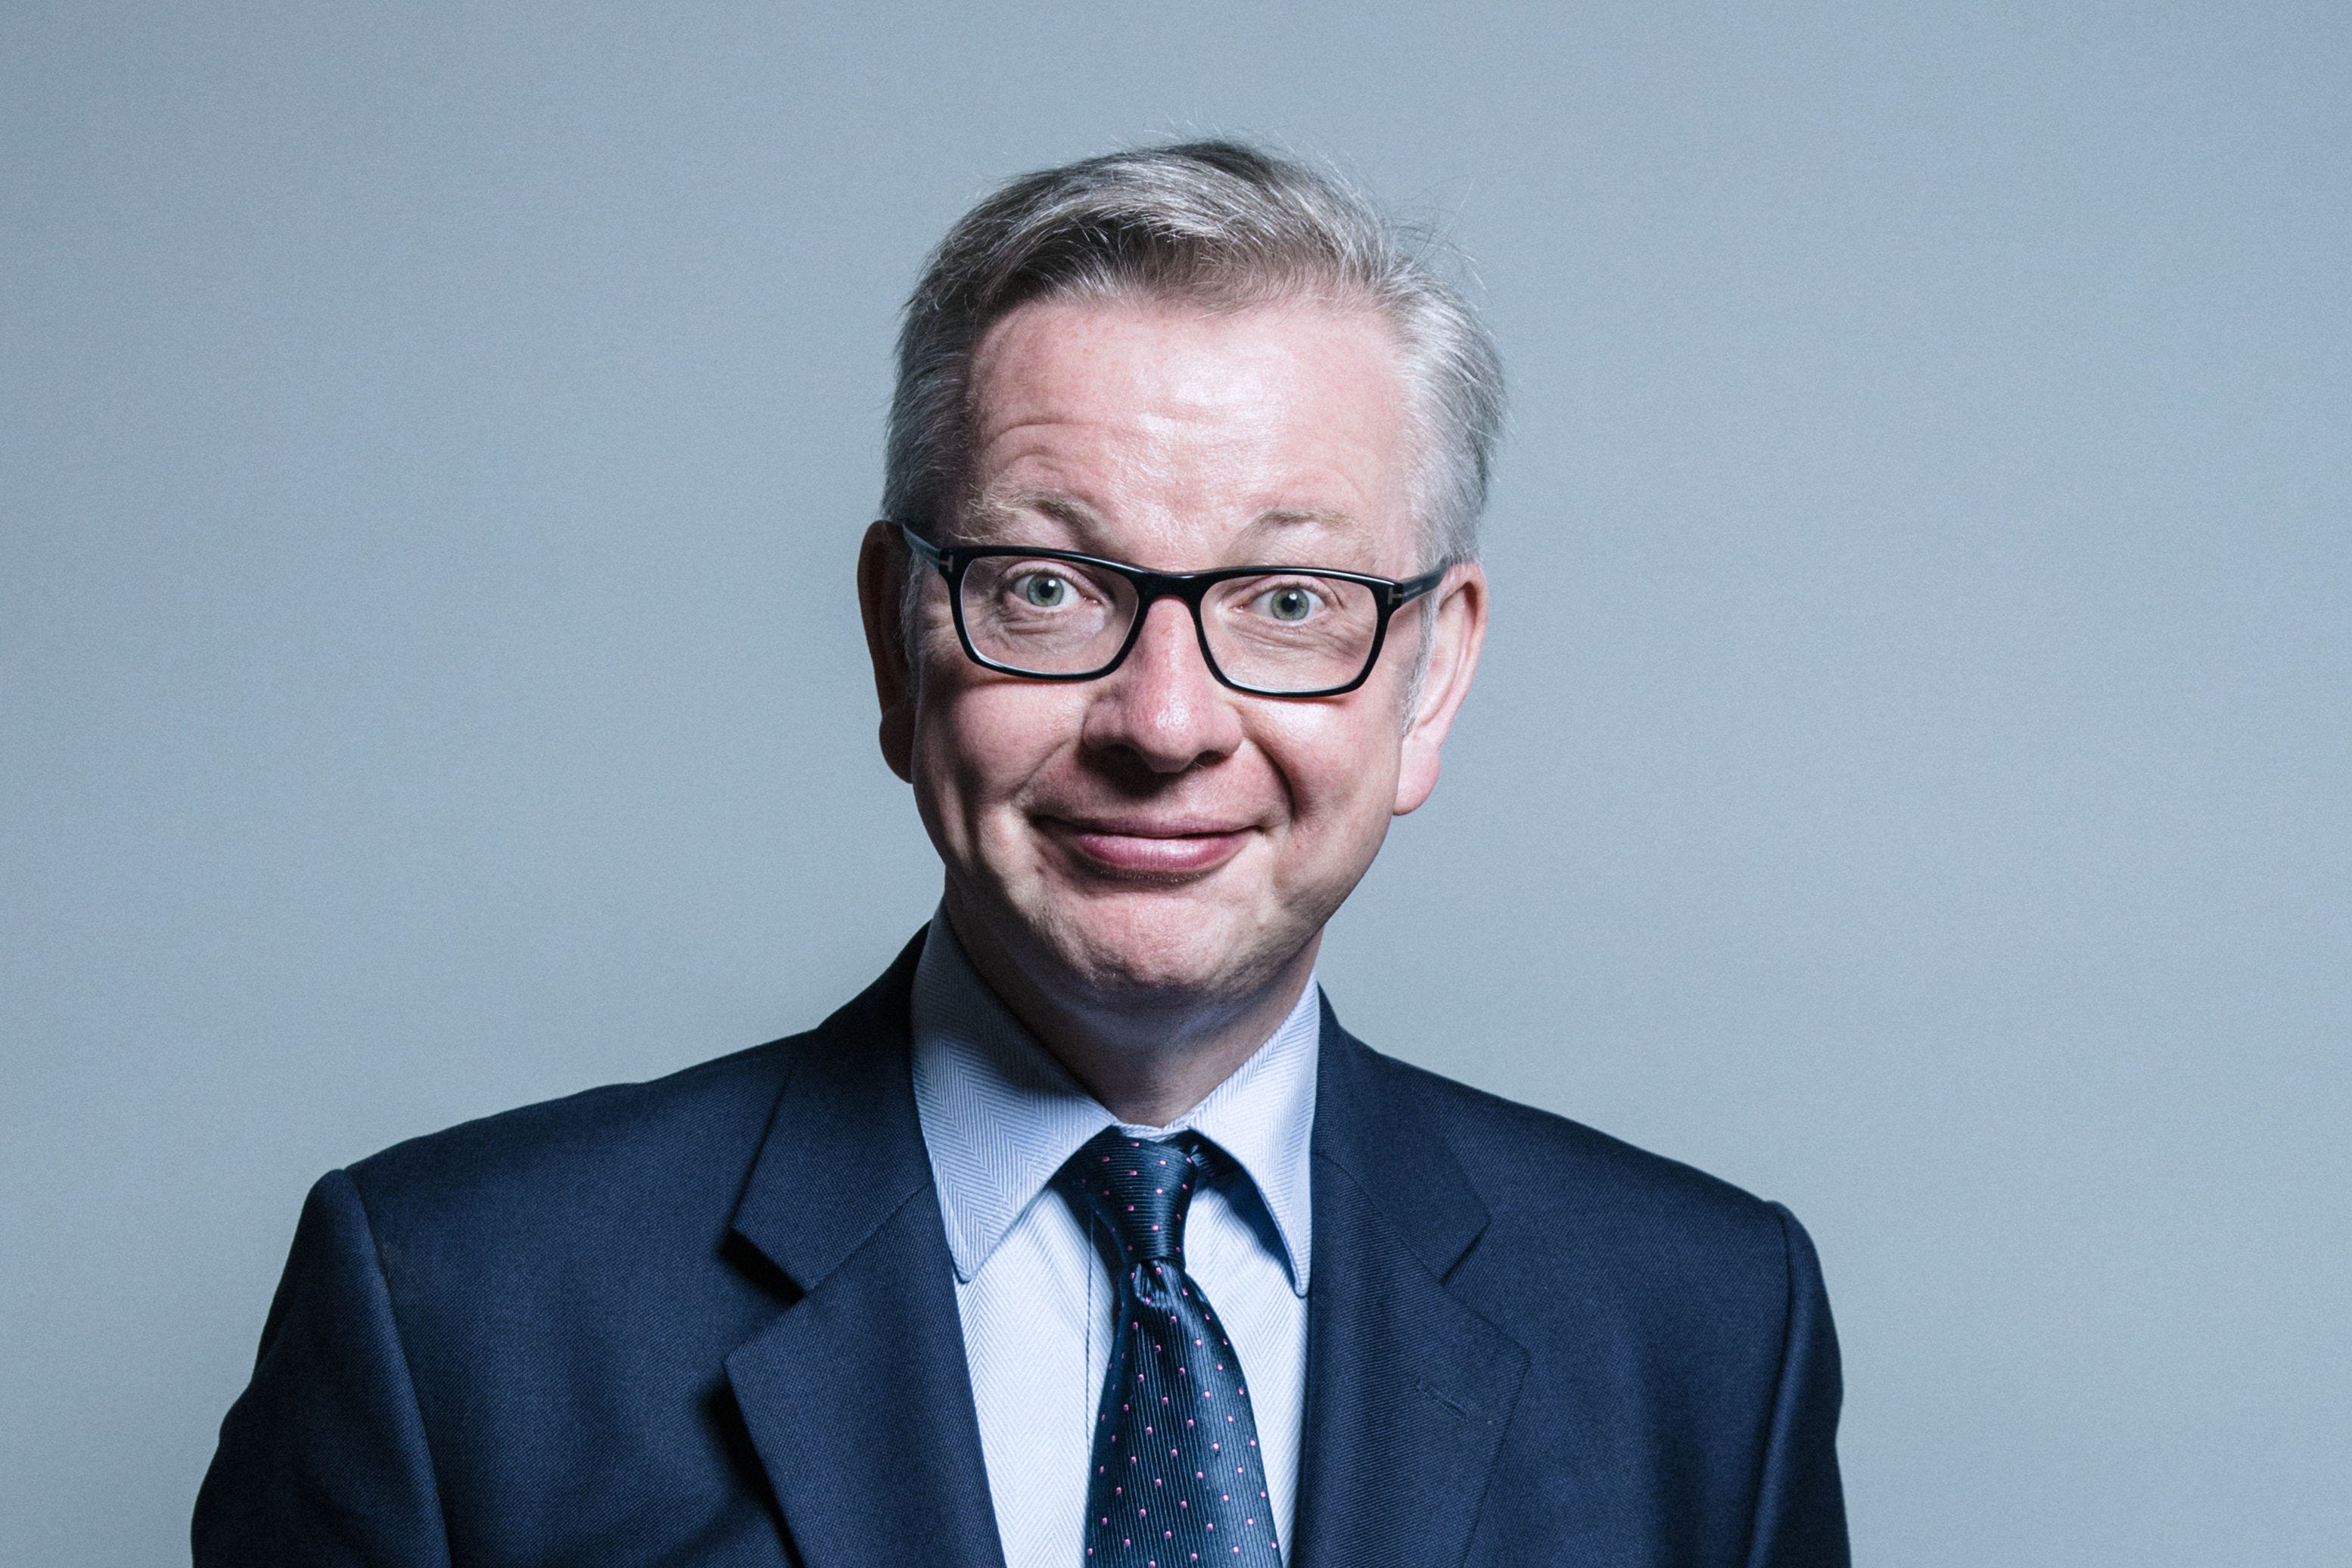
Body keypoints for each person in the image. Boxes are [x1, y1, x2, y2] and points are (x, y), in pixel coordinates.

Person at [195, 140, 1848, 1568]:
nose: (1166, 720)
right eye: (1047, 588)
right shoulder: (456, 1316)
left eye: (1289, 601)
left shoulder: (1706, 1333)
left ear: (1430, 679)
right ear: (893, 640)